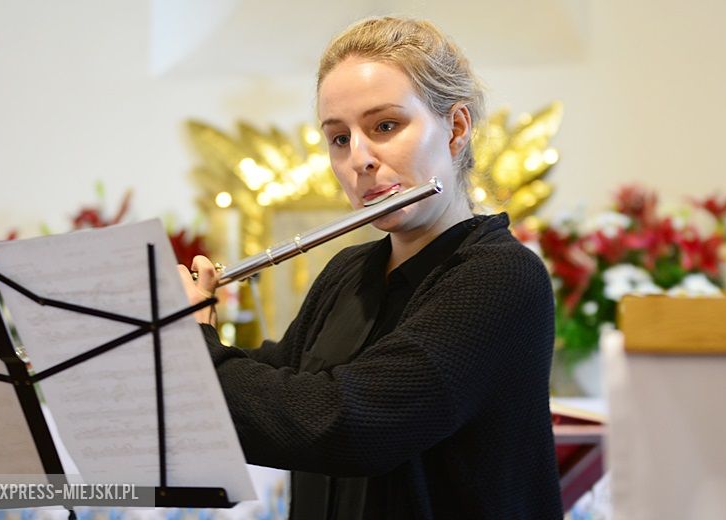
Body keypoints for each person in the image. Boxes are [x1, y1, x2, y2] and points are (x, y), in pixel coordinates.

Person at [179, 16, 562, 519]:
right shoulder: (349, 272)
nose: (359, 159)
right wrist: (163, 335)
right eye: (339, 138)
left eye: (385, 126)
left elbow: (350, 427)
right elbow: (277, 393)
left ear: (456, 128)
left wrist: (195, 349)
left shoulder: (500, 277)